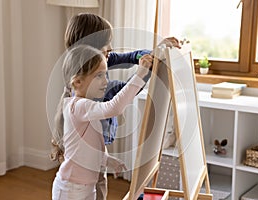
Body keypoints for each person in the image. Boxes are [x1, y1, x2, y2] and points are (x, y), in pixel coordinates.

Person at [51, 13, 181, 200]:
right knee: (96, 188)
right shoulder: (86, 92)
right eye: (106, 44)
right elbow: (119, 97)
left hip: (94, 150)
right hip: (81, 167)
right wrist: (143, 72)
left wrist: (154, 54)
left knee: (97, 186)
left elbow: (130, 57)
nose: (110, 49)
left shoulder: (97, 62)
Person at [51, 44, 153, 200]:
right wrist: (140, 74)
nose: (105, 81)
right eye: (99, 76)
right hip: (70, 189)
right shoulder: (77, 106)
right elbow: (114, 107)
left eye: (105, 75)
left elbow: (86, 147)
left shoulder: (88, 108)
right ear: (78, 82)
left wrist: (108, 161)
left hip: (86, 187)